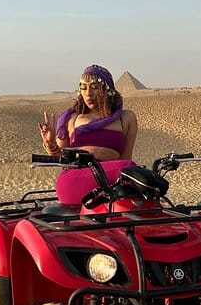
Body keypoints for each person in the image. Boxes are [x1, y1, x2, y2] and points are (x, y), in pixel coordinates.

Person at [38, 64, 138, 204]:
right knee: (128, 167)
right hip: (75, 179)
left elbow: (125, 158)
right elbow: (61, 159)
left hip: (110, 182)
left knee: (130, 172)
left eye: (94, 87)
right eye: (84, 88)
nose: (88, 93)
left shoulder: (125, 118)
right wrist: (50, 145)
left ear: (107, 90)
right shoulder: (72, 118)